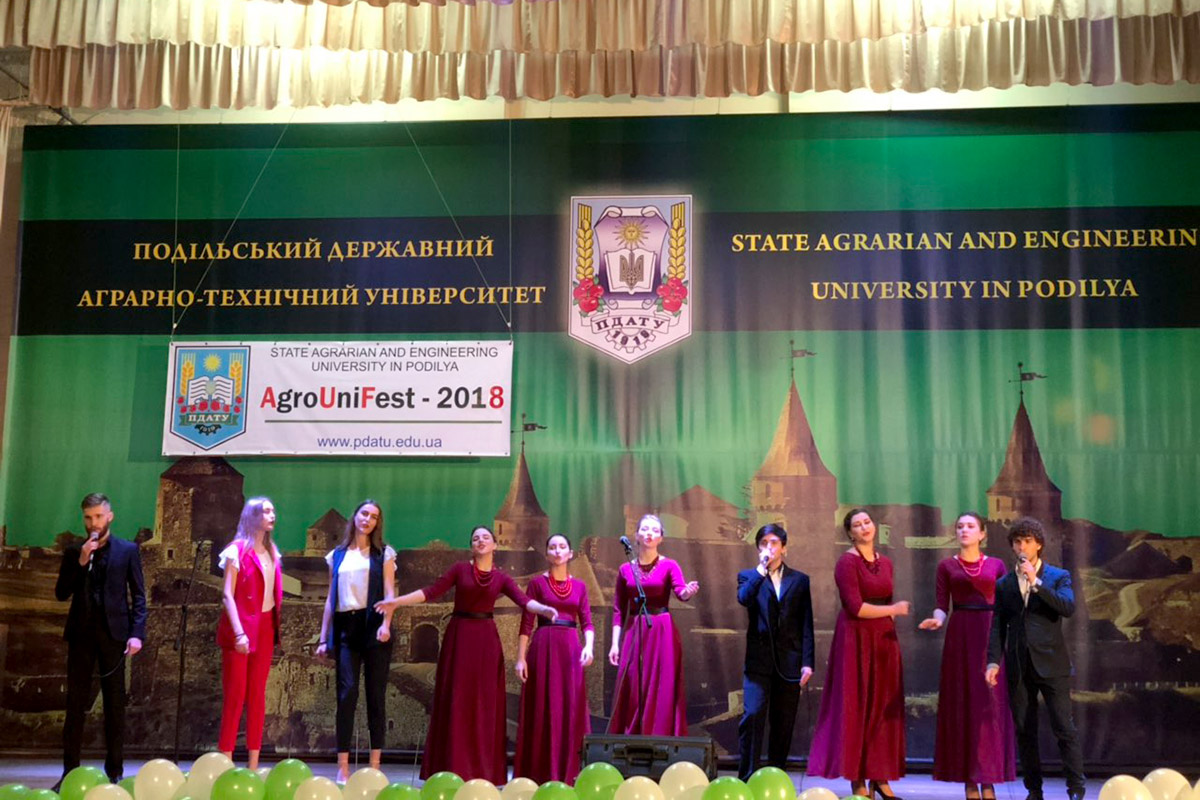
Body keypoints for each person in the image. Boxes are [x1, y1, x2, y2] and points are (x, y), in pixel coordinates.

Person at [374, 525, 557, 784]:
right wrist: (397, 601)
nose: (480, 540)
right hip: (459, 638)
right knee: (457, 701)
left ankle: (483, 770)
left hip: (486, 642)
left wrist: (544, 609)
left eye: (485, 537)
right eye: (475, 538)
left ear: (494, 545)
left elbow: (525, 601)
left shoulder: (501, 578)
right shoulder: (459, 570)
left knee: (484, 704)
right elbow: (431, 592)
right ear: (472, 546)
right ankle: (452, 766)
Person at [808, 508, 909, 800]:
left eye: (867, 522)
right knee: (857, 707)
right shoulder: (846, 563)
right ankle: (858, 780)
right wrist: (892, 610)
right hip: (855, 639)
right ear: (850, 533)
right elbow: (855, 607)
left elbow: (886, 599)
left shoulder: (886, 562)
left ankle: (880, 776)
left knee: (882, 710)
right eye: (857, 525)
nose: (864, 527)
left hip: (883, 641)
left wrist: (890, 618)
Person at [986, 517, 1086, 800]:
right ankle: (1034, 790)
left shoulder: (1057, 576)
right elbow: (997, 625)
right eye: (1017, 542)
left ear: (1038, 544)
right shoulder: (1004, 584)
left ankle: (1076, 788)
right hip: (1019, 665)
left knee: (1064, 728)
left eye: (1028, 541)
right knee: (1024, 731)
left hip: (1052, 664)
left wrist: (1036, 582)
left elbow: (1067, 607)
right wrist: (993, 662)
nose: (1022, 547)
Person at [919, 512, 1016, 799]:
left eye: (970, 526)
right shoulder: (946, 566)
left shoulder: (997, 565)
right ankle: (970, 782)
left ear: (982, 534)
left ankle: (989, 779)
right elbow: (941, 605)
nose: (964, 530)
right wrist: (937, 619)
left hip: (989, 634)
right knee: (964, 706)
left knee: (990, 707)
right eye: (960, 526)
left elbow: (1006, 604)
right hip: (960, 637)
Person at [54, 493, 147, 787]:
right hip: (81, 636)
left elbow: (139, 596)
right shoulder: (74, 552)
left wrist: (137, 633)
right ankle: (69, 772)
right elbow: (61, 593)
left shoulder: (127, 550)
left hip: (114, 636)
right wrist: (81, 561)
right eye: (88, 517)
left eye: (98, 516)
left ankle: (115, 772)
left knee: (114, 705)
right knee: (75, 705)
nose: (93, 523)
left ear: (109, 517)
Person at [315, 500, 396, 784]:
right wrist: (323, 638)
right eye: (364, 513)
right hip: (346, 628)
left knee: (375, 695)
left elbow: (389, 593)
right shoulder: (336, 555)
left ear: (377, 523)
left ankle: (375, 763)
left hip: (374, 626)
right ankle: (343, 765)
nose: (368, 520)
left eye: (374, 517)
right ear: (356, 516)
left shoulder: (384, 554)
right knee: (347, 693)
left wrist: (386, 625)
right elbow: (330, 598)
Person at [607, 513, 700, 736]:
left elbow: (680, 592)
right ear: (637, 535)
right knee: (633, 682)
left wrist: (687, 592)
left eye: (655, 530)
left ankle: (659, 735)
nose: (649, 533)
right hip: (634, 629)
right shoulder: (625, 569)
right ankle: (632, 737)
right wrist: (615, 644)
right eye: (645, 529)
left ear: (661, 538)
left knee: (662, 684)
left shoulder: (670, 565)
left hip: (661, 629)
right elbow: (619, 610)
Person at [513, 534, 595, 784]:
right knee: (543, 707)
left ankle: (570, 771)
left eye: (562, 547)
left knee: (570, 708)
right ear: (547, 554)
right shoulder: (537, 584)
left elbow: (587, 622)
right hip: (544, 648)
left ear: (570, 553)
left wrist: (589, 646)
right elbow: (527, 623)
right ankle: (539, 772)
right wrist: (520, 658)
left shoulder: (579, 586)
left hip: (570, 651)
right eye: (552, 547)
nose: (557, 551)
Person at [736, 522, 815, 781]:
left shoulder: (799, 580)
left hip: (789, 661)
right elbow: (744, 599)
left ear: (784, 548)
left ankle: (775, 777)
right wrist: (761, 570)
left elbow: (806, 623)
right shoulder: (749, 576)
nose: (768, 547)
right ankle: (747, 777)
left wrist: (807, 662)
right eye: (763, 543)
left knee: (783, 723)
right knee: (752, 715)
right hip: (758, 662)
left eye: (773, 543)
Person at [217, 497, 283, 770]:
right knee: (235, 696)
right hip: (241, 629)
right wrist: (239, 633)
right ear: (253, 516)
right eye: (266, 511)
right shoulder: (236, 551)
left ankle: (253, 764)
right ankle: (226, 761)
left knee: (257, 696)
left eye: (273, 510)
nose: (272, 515)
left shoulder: (272, 552)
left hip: (266, 628)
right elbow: (227, 595)